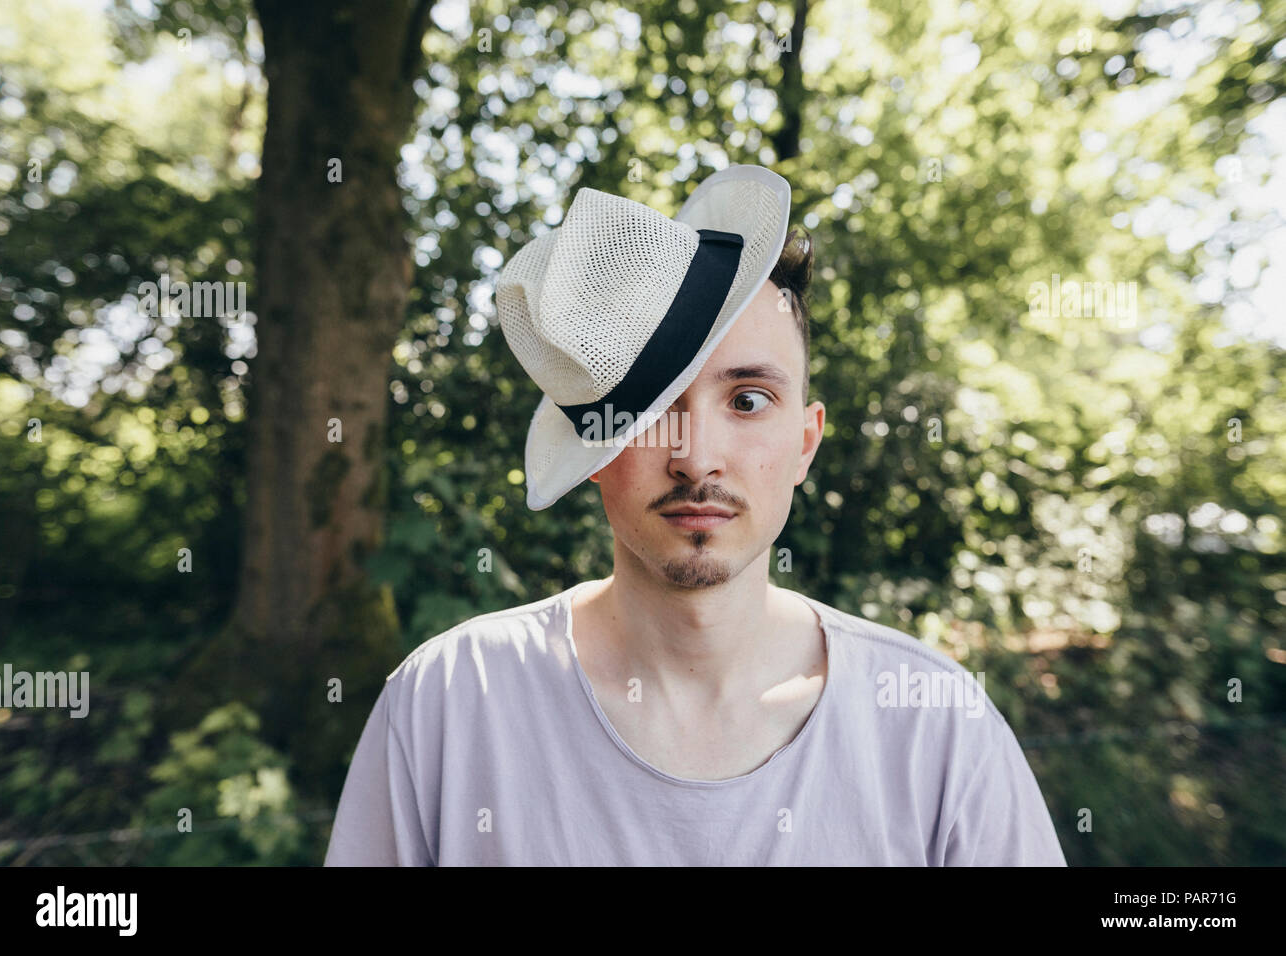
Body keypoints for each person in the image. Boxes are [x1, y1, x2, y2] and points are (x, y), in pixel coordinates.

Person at [324, 165, 1067, 866]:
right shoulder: (450, 704)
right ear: (596, 443)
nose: (695, 457)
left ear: (805, 443)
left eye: (747, 401)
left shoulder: (935, 727)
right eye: (650, 412)